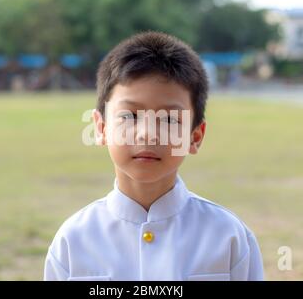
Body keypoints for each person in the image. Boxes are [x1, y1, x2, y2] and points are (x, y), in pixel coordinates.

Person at [44, 31, 263, 281]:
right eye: (129, 116)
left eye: (170, 119)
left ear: (195, 136)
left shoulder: (228, 236)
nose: (148, 135)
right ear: (101, 128)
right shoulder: (73, 240)